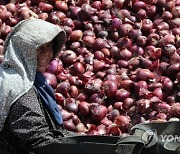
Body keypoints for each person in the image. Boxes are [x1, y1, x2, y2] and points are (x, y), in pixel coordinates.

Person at [0, 18, 78, 154]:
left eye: (50, 47)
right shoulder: (20, 86)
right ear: (23, 48)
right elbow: (39, 140)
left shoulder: (33, 79)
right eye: (40, 48)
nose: (47, 53)